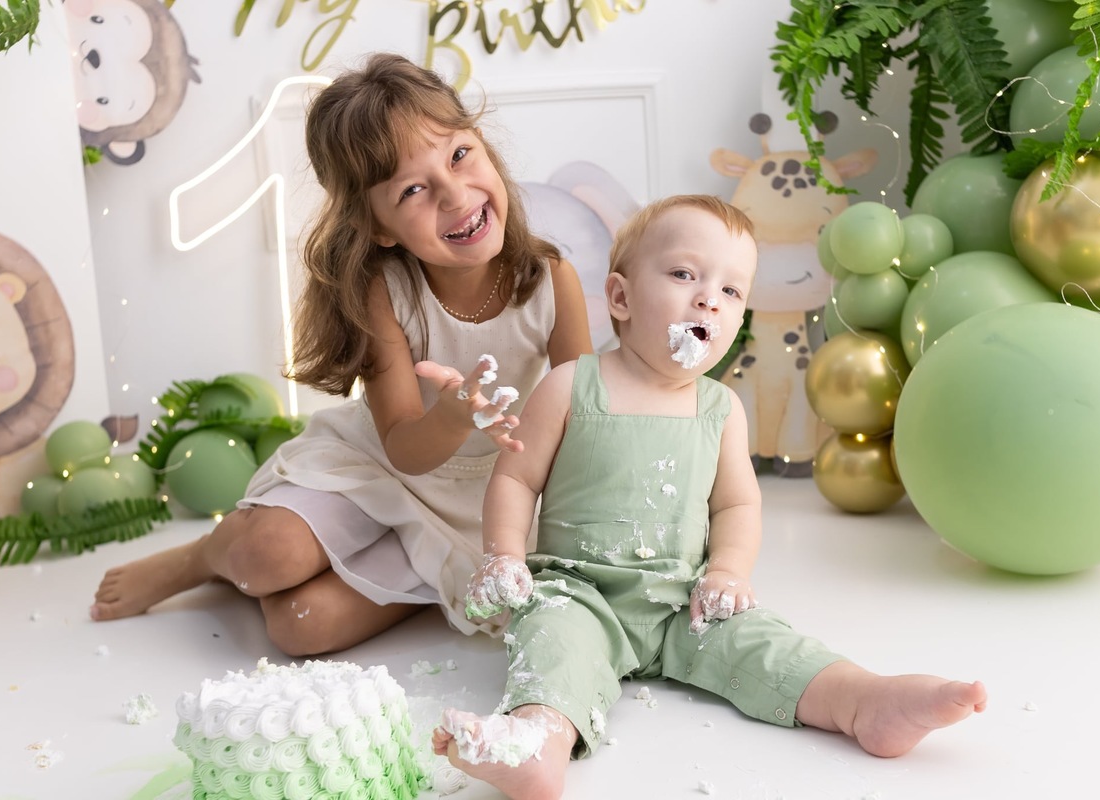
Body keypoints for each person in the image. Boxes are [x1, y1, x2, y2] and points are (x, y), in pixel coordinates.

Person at [431, 195, 987, 800]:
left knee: (763, 642)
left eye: (730, 291)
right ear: (620, 297)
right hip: (579, 592)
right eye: (684, 275)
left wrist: (725, 571)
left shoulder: (720, 409)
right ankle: (537, 741)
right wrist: (505, 556)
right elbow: (515, 479)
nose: (708, 300)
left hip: (681, 600)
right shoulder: (572, 384)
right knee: (556, 646)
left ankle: (861, 700)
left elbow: (738, 506)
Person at [89, 52, 593, 656]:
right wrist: (455, 416)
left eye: (459, 155)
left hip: (491, 493)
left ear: (482, 144)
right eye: (413, 189)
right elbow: (405, 447)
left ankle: (410, 568)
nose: (455, 195)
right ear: (379, 227)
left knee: (300, 626)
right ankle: (204, 555)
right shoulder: (386, 292)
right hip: (381, 467)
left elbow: (582, 420)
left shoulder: (548, 278)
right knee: (265, 554)